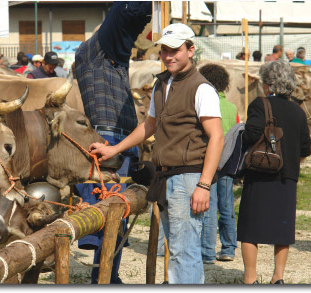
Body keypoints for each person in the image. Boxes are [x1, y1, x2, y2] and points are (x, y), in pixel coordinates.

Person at [89, 22, 224, 284]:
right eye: (164, 50)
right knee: (178, 250)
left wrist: (204, 185)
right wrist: (114, 149)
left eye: (175, 50)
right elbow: (148, 126)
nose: (169, 56)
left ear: (190, 50)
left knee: (185, 252)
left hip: (189, 177)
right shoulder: (162, 84)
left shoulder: (202, 88)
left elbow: (216, 137)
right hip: (165, 176)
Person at [74, 1, 152, 284]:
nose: (124, 40)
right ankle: (102, 277)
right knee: (104, 208)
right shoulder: (92, 55)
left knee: (117, 212)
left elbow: (126, 26)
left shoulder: (117, 61)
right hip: (105, 139)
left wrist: (145, 14)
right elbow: (121, 16)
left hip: (122, 140)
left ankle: (108, 274)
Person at [238, 59, 311, 284]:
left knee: (250, 228)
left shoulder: (260, 104)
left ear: (268, 84)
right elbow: (305, 149)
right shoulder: (298, 112)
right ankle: (278, 278)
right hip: (287, 177)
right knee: (283, 229)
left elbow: (251, 135)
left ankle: (250, 279)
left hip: (260, 174)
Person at [199, 63, 239, 264]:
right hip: (228, 163)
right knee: (227, 206)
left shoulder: (204, 104)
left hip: (208, 162)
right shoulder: (232, 107)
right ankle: (229, 248)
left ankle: (207, 251)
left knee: (209, 207)